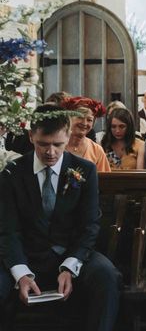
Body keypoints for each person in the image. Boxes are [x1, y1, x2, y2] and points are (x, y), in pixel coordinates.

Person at [0, 104, 121, 330]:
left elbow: (89, 225)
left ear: (68, 136)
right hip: (26, 254)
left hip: (70, 252)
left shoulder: (84, 169)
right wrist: (21, 273)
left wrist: (70, 266)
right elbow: (8, 230)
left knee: (107, 276)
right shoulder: (12, 173)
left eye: (58, 144)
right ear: (31, 136)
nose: (51, 152)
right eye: (43, 144)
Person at [60, 96, 110, 172]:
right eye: (80, 117)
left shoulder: (97, 150)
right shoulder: (57, 145)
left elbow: (105, 180)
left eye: (89, 120)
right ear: (69, 118)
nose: (84, 123)